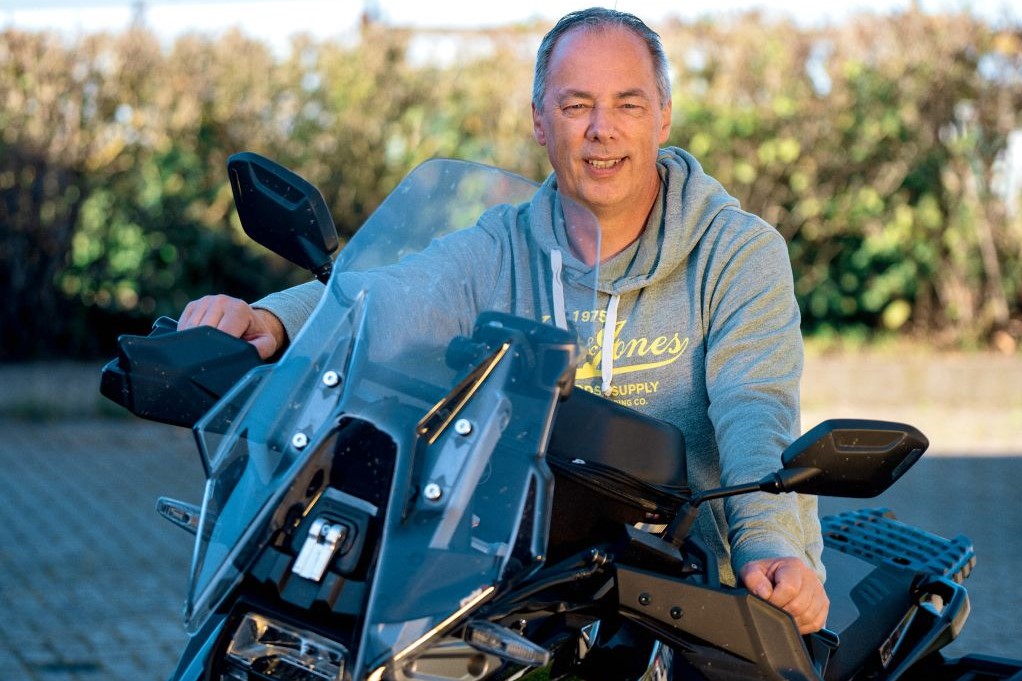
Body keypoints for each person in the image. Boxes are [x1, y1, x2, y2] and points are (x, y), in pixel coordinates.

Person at [178, 7, 829, 635]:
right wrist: (272, 321)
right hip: (528, 593)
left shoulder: (737, 251)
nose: (602, 128)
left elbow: (753, 407)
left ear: (662, 117)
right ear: (541, 123)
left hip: (696, 595)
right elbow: (391, 295)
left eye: (627, 104)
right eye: (576, 105)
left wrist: (766, 544)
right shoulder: (505, 245)